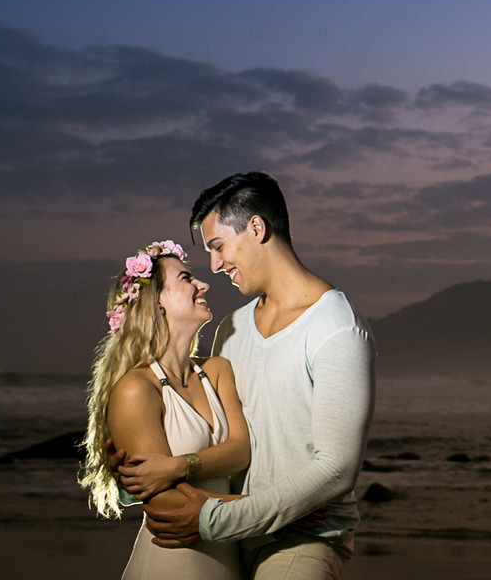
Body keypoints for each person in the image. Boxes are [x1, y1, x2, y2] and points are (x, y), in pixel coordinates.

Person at [142, 172, 376, 580]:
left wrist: (215, 518)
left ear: (256, 227)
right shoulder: (230, 329)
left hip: (299, 541)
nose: (214, 267)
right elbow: (215, 433)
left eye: (218, 246)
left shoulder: (335, 326)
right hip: (227, 543)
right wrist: (141, 458)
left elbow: (337, 469)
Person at [80, 240, 251, 580]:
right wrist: (273, 512)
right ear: (157, 301)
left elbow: (240, 452)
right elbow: (164, 506)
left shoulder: (216, 370)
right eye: (187, 278)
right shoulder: (136, 389)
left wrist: (176, 467)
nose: (202, 285)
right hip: (175, 562)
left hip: (227, 554)